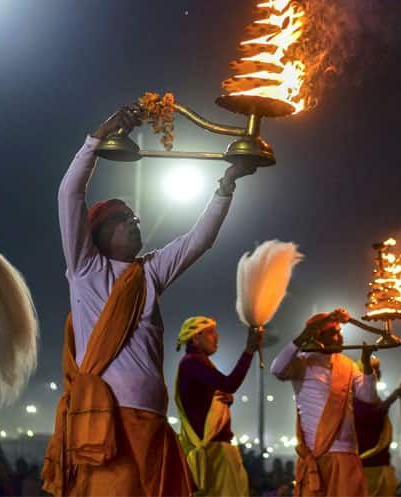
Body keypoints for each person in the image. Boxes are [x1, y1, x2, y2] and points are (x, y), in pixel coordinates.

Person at [41, 105, 257, 496]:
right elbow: (69, 193)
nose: (135, 223)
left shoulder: (150, 273)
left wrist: (226, 186)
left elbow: (198, 241)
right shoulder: (85, 269)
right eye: (126, 219)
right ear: (100, 234)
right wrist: (95, 141)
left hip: (154, 422)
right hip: (107, 423)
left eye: (137, 219)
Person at [271, 309, 379, 496]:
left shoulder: (347, 364)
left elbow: (369, 397)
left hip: (347, 453)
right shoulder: (302, 363)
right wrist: (301, 339)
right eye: (333, 333)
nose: (340, 338)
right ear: (317, 336)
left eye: (340, 332)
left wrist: (367, 364)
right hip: (319, 455)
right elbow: (276, 369)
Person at [174, 316, 263, 496]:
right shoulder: (192, 362)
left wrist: (226, 399)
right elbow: (229, 384)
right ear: (195, 337)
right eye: (210, 332)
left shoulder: (196, 362)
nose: (217, 337)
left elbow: (214, 395)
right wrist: (248, 351)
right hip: (212, 455)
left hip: (215, 453)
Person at [353, 356, 401, 497]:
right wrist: (393, 397)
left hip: (380, 467)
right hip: (367, 470)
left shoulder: (375, 400)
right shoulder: (353, 400)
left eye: (377, 370)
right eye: (371, 370)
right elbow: (370, 416)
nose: (376, 374)